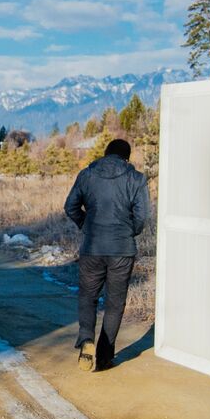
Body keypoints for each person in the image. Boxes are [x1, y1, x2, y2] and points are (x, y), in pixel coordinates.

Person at [64, 138, 149, 372]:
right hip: (122, 249)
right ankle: (103, 357)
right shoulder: (137, 179)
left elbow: (70, 206)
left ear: (105, 153)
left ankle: (87, 340)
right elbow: (142, 216)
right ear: (126, 158)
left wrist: (86, 225)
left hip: (92, 247)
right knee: (114, 303)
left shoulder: (87, 175)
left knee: (88, 297)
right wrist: (129, 231)